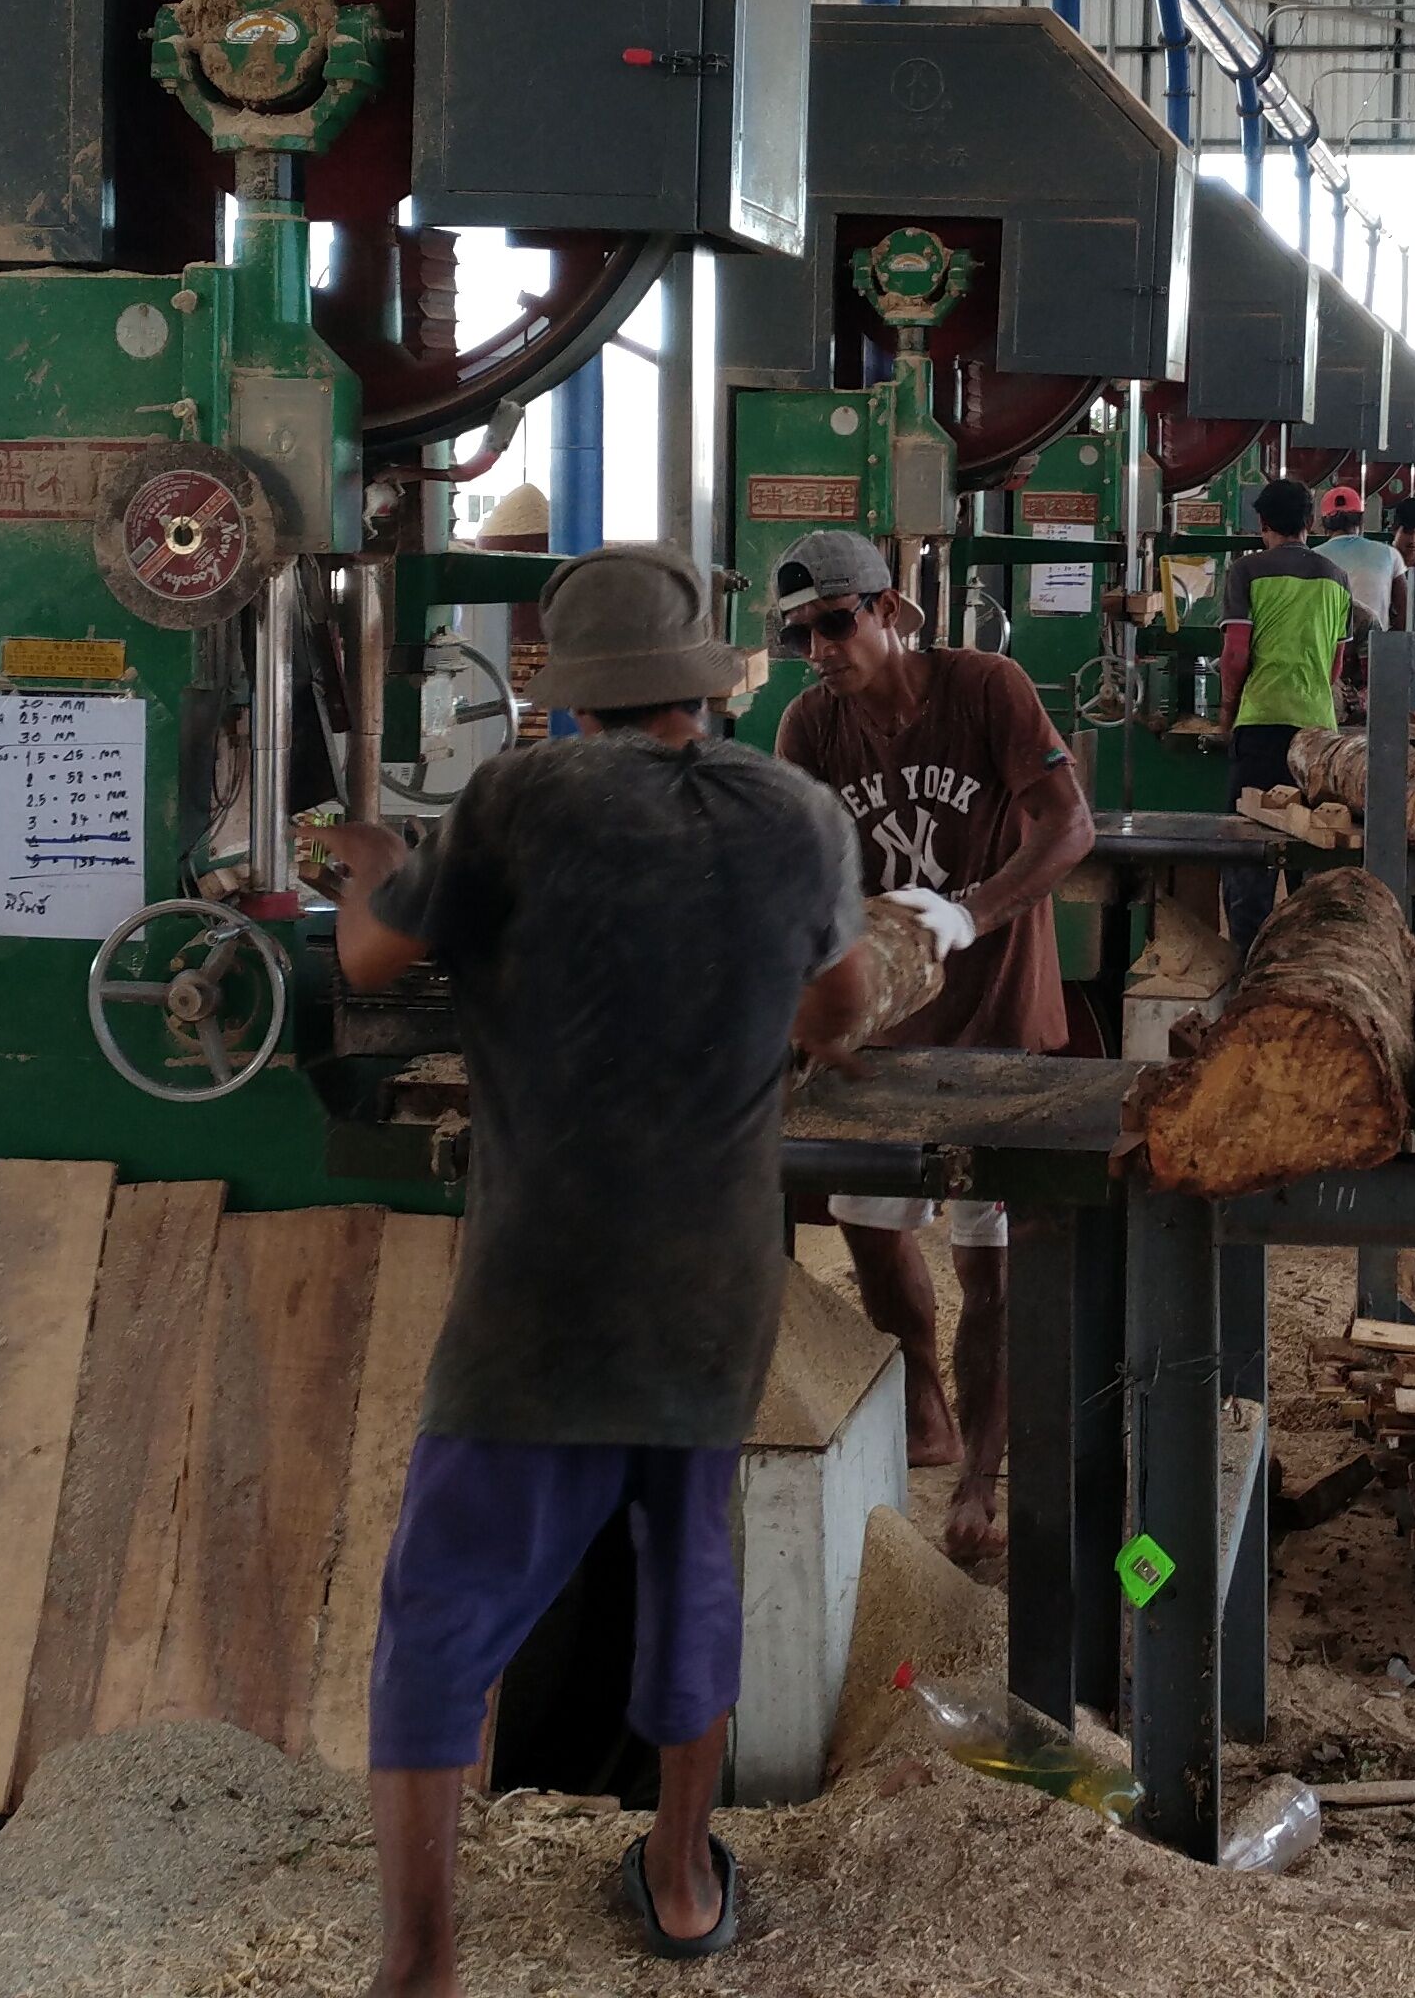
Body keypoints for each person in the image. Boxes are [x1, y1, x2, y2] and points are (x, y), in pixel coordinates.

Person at [321, 544, 876, 1987]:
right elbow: (842, 1008)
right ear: (708, 681)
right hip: (710, 1286)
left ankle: (420, 1955)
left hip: (538, 1292)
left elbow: (369, 966)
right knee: (690, 1575)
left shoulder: (518, 800)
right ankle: (682, 1879)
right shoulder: (797, 812)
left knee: (444, 1608)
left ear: (565, 690)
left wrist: (372, 869)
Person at [765, 529, 1092, 1560]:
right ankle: (925, 1415)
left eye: (834, 623)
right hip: (885, 1032)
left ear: (887, 609)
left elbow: (1067, 825)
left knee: (992, 1262)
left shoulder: (987, 688)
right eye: (799, 636)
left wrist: (970, 914)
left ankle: (983, 1479)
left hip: (997, 1019)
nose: (820, 650)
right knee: (871, 1231)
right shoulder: (811, 727)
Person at [1215, 476, 1360, 948]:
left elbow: (1235, 653)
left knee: (1249, 848)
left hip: (1261, 724)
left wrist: (1225, 714)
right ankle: (1308, 955)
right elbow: (1336, 663)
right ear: (1310, 522)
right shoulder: (1337, 577)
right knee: (1311, 849)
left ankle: (1248, 959)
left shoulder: (1246, 571)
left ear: (1262, 523)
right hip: (1318, 736)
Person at [1313, 481, 1408, 632]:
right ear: (1361, 521)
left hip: (1327, 644)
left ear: (1324, 524)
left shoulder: (1313, 557)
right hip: (1374, 643)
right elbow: (1405, 611)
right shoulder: (1390, 554)